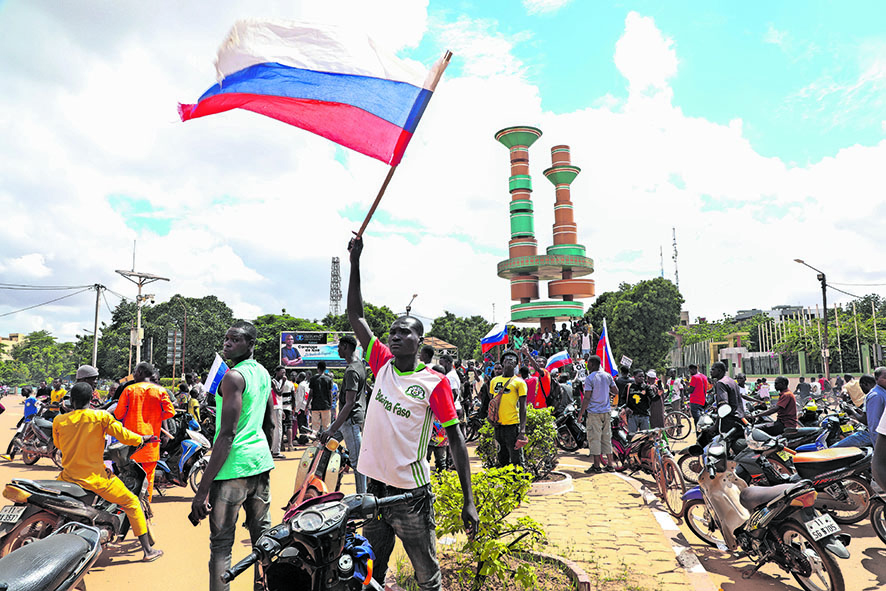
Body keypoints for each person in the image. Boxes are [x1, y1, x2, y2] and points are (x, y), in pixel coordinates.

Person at [347, 235, 478, 590]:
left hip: (411, 496)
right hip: (375, 490)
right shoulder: (382, 363)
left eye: (404, 332)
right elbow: (356, 315)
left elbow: (456, 440)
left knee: (426, 577)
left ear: (420, 342)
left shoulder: (434, 383)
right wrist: (355, 261)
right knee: (369, 573)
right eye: (392, 332)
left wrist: (468, 500)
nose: (394, 336)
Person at [190, 321, 275, 591]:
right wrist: (262, 453)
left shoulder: (233, 377)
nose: (227, 343)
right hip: (259, 465)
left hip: (232, 469)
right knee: (263, 541)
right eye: (226, 339)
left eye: (235, 340)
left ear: (250, 344)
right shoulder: (263, 373)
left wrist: (202, 491)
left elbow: (227, 434)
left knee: (221, 545)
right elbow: (270, 422)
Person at [54, 382, 162, 561]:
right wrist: (142, 439)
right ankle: (148, 552)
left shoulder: (59, 420)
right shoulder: (101, 417)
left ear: (71, 400)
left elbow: (58, 444)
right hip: (96, 478)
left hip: (67, 477)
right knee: (132, 502)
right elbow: (124, 435)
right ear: (92, 399)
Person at [114, 362, 175, 502]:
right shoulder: (160, 391)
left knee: (129, 477)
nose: (133, 375)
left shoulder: (129, 390)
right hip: (151, 443)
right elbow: (170, 412)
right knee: (149, 477)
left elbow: (118, 414)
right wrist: (155, 417)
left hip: (130, 443)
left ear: (140, 372)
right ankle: (146, 507)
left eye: (134, 372)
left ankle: (128, 508)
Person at [319, 334, 368, 494]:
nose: (338, 350)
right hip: (347, 421)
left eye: (339, 347)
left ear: (346, 347)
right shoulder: (359, 365)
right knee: (325, 445)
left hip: (350, 420)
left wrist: (332, 429)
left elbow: (350, 402)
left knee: (357, 463)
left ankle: (362, 498)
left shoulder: (352, 371)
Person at [578, 355, 620, 473]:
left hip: (594, 413)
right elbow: (616, 391)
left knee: (594, 438)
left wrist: (580, 414)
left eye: (588, 363)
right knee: (606, 437)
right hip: (606, 412)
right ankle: (610, 465)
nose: (587, 366)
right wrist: (605, 392)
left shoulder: (590, 378)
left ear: (592, 364)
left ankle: (596, 466)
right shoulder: (607, 376)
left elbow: (587, 398)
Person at [488, 350, 528, 468]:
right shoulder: (494, 381)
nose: (510, 360)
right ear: (502, 363)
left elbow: (523, 407)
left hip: (512, 426)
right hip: (498, 426)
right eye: (507, 358)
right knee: (502, 458)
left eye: (513, 359)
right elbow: (491, 403)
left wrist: (522, 431)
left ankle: (519, 478)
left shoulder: (519, 382)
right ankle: (505, 479)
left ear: (516, 364)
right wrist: (490, 418)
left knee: (517, 460)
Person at [833, 373, 882, 448]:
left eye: (861, 387)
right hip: (862, 408)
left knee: (834, 448)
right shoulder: (881, 393)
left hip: (871, 433)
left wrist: (852, 411)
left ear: (865, 384)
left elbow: (866, 421)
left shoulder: (872, 395)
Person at [270, 366, 290, 459]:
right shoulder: (273, 382)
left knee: (276, 429)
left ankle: (274, 449)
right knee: (278, 429)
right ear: (277, 372)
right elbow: (279, 393)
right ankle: (276, 451)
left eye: (284, 373)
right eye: (282, 372)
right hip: (275, 407)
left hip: (278, 407)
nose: (284, 374)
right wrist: (284, 383)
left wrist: (282, 410)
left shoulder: (279, 382)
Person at [306, 361, 334, 432]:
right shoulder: (329, 379)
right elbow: (330, 394)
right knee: (327, 427)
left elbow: (311, 393)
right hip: (326, 406)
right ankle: (326, 439)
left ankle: (315, 439)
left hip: (315, 405)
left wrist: (307, 405)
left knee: (315, 427)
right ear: (325, 369)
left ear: (318, 368)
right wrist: (330, 405)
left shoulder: (313, 379)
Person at [626, 370, 653, 434]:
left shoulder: (646, 387)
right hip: (632, 416)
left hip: (644, 415)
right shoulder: (629, 387)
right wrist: (626, 408)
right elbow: (623, 399)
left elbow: (653, 398)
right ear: (634, 377)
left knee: (645, 436)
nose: (642, 378)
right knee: (632, 436)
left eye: (643, 376)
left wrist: (659, 394)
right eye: (639, 376)